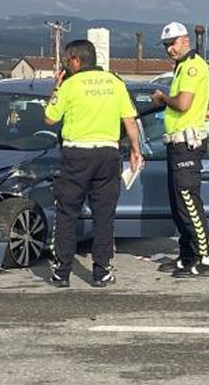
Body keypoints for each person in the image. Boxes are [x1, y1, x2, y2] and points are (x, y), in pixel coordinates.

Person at [43, 39, 143, 288]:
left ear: (76, 60)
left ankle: (62, 272)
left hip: (77, 155)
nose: (66, 65)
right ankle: (101, 271)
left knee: (67, 213)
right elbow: (129, 120)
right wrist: (135, 150)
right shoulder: (115, 82)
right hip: (108, 155)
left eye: (67, 60)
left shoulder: (70, 85)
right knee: (104, 215)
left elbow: (49, 118)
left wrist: (56, 88)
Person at [149, 22, 209, 278]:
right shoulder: (181, 68)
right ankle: (186, 256)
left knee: (188, 202)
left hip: (187, 145)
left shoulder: (191, 67)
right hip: (176, 144)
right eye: (166, 45)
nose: (169, 50)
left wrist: (162, 98)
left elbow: (183, 104)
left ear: (185, 41)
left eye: (172, 44)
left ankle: (204, 257)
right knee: (178, 204)